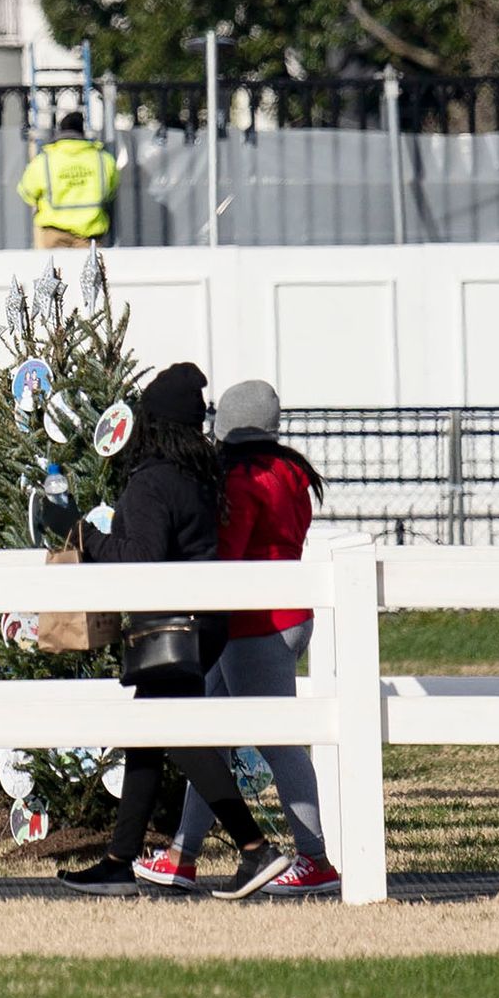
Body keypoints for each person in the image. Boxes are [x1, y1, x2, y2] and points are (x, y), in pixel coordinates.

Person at [55, 361, 286, 900]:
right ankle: (119, 860)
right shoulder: (195, 472)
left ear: (150, 423)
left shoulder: (152, 480)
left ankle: (256, 851)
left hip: (172, 628)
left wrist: (87, 538)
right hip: (206, 624)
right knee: (150, 734)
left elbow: (141, 560)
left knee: (176, 734)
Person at [160, 376, 340, 896]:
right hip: (287, 617)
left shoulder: (240, 479)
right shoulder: (291, 472)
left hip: (250, 625)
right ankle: (181, 855)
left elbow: (227, 559)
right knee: (210, 741)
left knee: (277, 744)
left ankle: (315, 859)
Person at [20, 109, 120, 251]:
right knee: (89, 271)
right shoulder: (103, 159)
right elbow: (111, 191)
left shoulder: (44, 160)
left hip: (54, 234)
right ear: (82, 131)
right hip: (90, 236)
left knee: (55, 271)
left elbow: (27, 192)